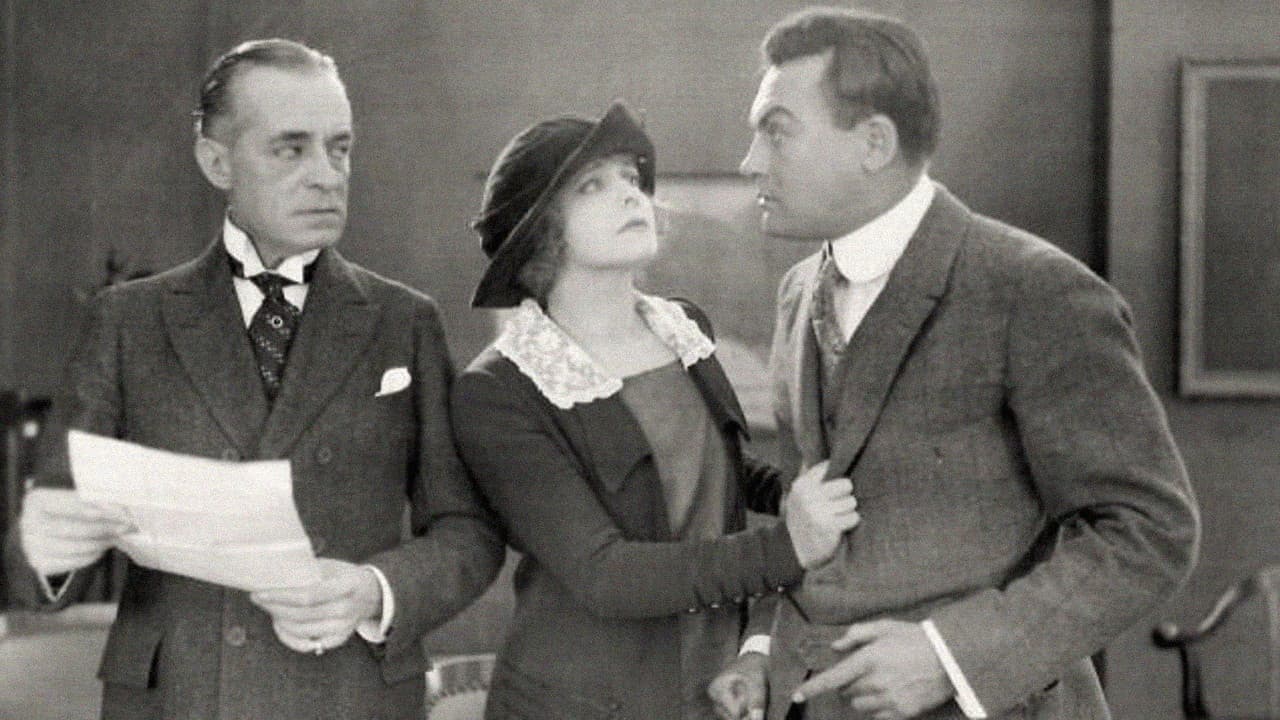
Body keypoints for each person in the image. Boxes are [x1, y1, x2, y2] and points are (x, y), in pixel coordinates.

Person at [708, 8, 1200, 720]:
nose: (750, 161)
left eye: (776, 131)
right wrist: (762, 650)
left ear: (874, 143)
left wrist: (951, 656)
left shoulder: (1034, 289)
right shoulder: (798, 291)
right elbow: (803, 515)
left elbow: (1150, 530)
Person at [3, 39, 504, 719]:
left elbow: (468, 531)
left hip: (349, 695)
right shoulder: (127, 321)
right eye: (290, 149)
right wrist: (45, 551)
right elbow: (43, 544)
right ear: (217, 162)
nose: (326, 175)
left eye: (340, 148)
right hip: (178, 699)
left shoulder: (403, 321)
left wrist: (375, 588)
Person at [449, 101, 861, 720]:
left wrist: (798, 491)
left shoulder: (683, 326)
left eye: (630, 178)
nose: (630, 194)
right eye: (592, 185)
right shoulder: (498, 389)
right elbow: (606, 575)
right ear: (538, 233)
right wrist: (789, 545)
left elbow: (713, 469)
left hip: (714, 678)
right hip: (583, 704)